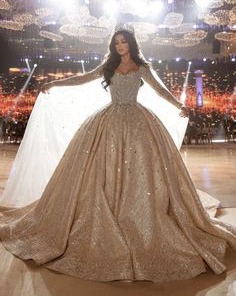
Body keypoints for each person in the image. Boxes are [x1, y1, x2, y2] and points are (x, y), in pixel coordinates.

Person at [0, 29, 235, 283]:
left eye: (123, 42)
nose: (120, 45)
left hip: (138, 122)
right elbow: (84, 78)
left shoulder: (142, 67)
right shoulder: (108, 65)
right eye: (116, 42)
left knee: (141, 171)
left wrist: (179, 105)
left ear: (131, 44)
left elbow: (159, 90)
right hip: (108, 122)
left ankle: (135, 214)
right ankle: (108, 210)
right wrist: (55, 83)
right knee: (100, 170)